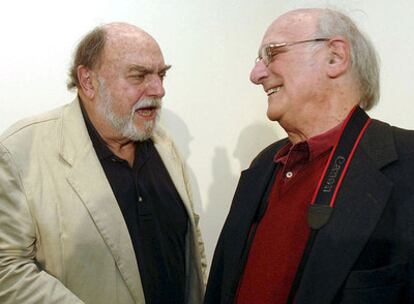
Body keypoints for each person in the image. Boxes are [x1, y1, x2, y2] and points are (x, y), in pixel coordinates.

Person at [205, 8, 414, 304]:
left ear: (335, 57)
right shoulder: (264, 165)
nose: (256, 75)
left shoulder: (407, 163)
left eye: (272, 53)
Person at [0, 22, 206, 304]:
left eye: (161, 75)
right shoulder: (21, 150)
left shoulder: (165, 147)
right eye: (139, 76)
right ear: (88, 81)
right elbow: (6, 268)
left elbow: (191, 248)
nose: (158, 89)